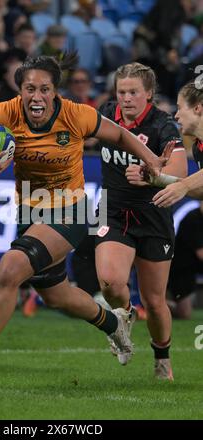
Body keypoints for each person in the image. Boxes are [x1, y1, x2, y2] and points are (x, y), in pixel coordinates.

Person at [0, 53, 169, 384]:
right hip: (29, 211)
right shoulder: (8, 111)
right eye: (29, 88)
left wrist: (149, 159)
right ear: (20, 91)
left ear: (55, 91)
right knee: (56, 295)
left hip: (70, 208)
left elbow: (118, 134)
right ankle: (114, 324)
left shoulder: (76, 115)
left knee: (9, 270)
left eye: (45, 89)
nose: (37, 96)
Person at [94, 62, 187, 380]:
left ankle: (162, 359)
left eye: (134, 92)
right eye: (122, 92)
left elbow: (181, 177)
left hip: (153, 215)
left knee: (156, 301)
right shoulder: (105, 114)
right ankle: (124, 317)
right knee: (110, 282)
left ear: (149, 93)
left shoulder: (163, 126)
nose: (127, 98)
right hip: (113, 210)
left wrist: (152, 177)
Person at [153, 80, 203, 207]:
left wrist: (184, 185)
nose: (176, 115)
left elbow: (186, 186)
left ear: (197, 108)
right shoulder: (197, 148)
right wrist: (158, 179)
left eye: (180, 108)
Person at [167, 203, 203, 319]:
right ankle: (153, 304)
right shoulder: (193, 220)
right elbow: (201, 254)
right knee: (184, 313)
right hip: (180, 269)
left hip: (192, 268)